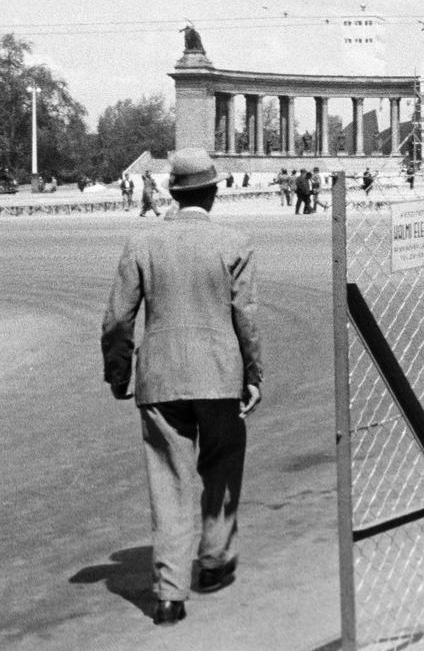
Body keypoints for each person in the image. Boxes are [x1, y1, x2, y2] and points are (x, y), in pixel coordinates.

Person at [100, 148, 262, 626]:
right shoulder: (235, 240)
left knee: (169, 484)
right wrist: (254, 375)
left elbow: (116, 320)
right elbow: (246, 320)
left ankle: (169, 596)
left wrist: (118, 372)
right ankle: (213, 563)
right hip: (219, 375)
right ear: (213, 193)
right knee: (222, 466)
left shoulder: (141, 242)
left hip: (161, 377)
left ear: (173, 193)